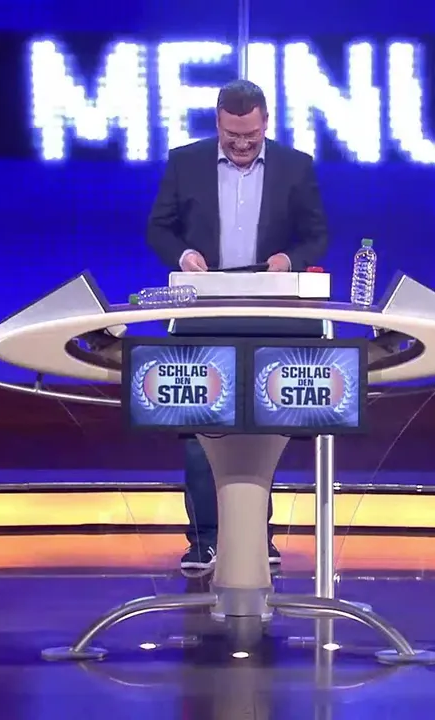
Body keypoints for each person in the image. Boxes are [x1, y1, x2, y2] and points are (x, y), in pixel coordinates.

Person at [146, 79, 330, 571]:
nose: (242, 144)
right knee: (199, 429)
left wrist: (289, 260)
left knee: (262, 427)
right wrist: (183, 255)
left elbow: (317, 235)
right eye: (232, 136)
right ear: (218, 124)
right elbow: (158, 228)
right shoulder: (185, 162)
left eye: (250, 135)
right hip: (203, 313)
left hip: (270, 315)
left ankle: (255, 536)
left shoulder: (296, 166)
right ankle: (205, 539)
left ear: (266, 122)